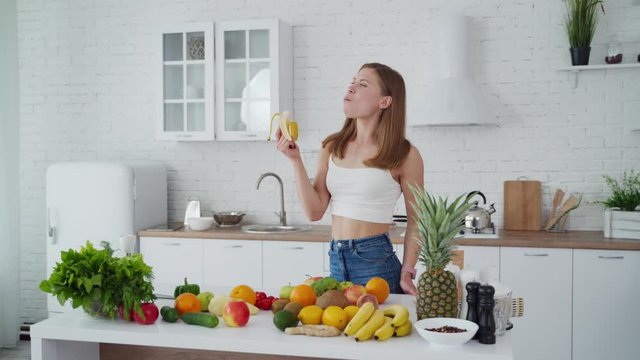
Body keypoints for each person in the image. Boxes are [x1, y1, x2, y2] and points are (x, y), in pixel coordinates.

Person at [275, 63, 424, 295]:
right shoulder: (332, 146)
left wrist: (407, 271)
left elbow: (417, 221)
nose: (352, 87)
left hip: (376, 264)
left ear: (384, 101)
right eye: (353, 81)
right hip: (336, 259)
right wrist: (295, 160)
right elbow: (314, 212)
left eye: (363, 84)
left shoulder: (405, 154)